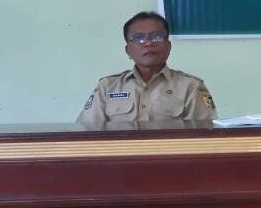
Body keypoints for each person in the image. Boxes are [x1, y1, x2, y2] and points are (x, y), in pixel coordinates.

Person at [77, 11, 217, 125]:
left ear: (168, 46)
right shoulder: (107, 86)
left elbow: (205, 136)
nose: (148, 43)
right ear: (128, 50)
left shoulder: (191, 86)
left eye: (156, 37)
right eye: (139, 38)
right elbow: (86, 133)